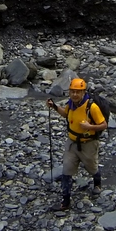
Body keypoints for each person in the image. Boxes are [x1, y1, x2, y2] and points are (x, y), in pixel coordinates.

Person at [45, 77, 106, 210]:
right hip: (72, 143)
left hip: (88, 143)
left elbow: (103, 125)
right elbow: (65, 114)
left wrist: (90, 126)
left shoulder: (92, 107)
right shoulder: (70, 104)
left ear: (83, 92)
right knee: (66, 170)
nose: (75, 94)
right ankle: (65, 201)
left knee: (92, 167)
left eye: (78, 92)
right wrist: (54, 106)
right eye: (73, 91)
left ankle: (97, 183)